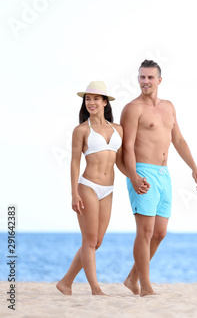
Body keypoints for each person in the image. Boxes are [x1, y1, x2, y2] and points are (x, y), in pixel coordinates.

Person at [56, 81, 149, 295]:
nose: (91, 102)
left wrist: (135, 178)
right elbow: (74, 163)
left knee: (97, 242)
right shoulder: (81, 130)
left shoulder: (118, 129)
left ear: (105, 102)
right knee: (89, 241)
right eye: (88, 99)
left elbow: (120, 162)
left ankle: (65, 282)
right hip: (87, 186)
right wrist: (73, 193)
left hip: (108, 189)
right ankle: (95, 289)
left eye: (96, 98)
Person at [121, 60, 197, 296]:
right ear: (138, 79)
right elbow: (127, 147)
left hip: (163, 173)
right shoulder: (132, 108)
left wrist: (193, 167)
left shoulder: (168, 106)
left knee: (159, 233)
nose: (145, 81)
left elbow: (178, 139)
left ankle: (131, 278)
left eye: (150, 77)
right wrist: (133, 175)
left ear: (159, 80)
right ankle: (145, 286)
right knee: (144, 232)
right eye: (141, 77)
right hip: (143, 171)